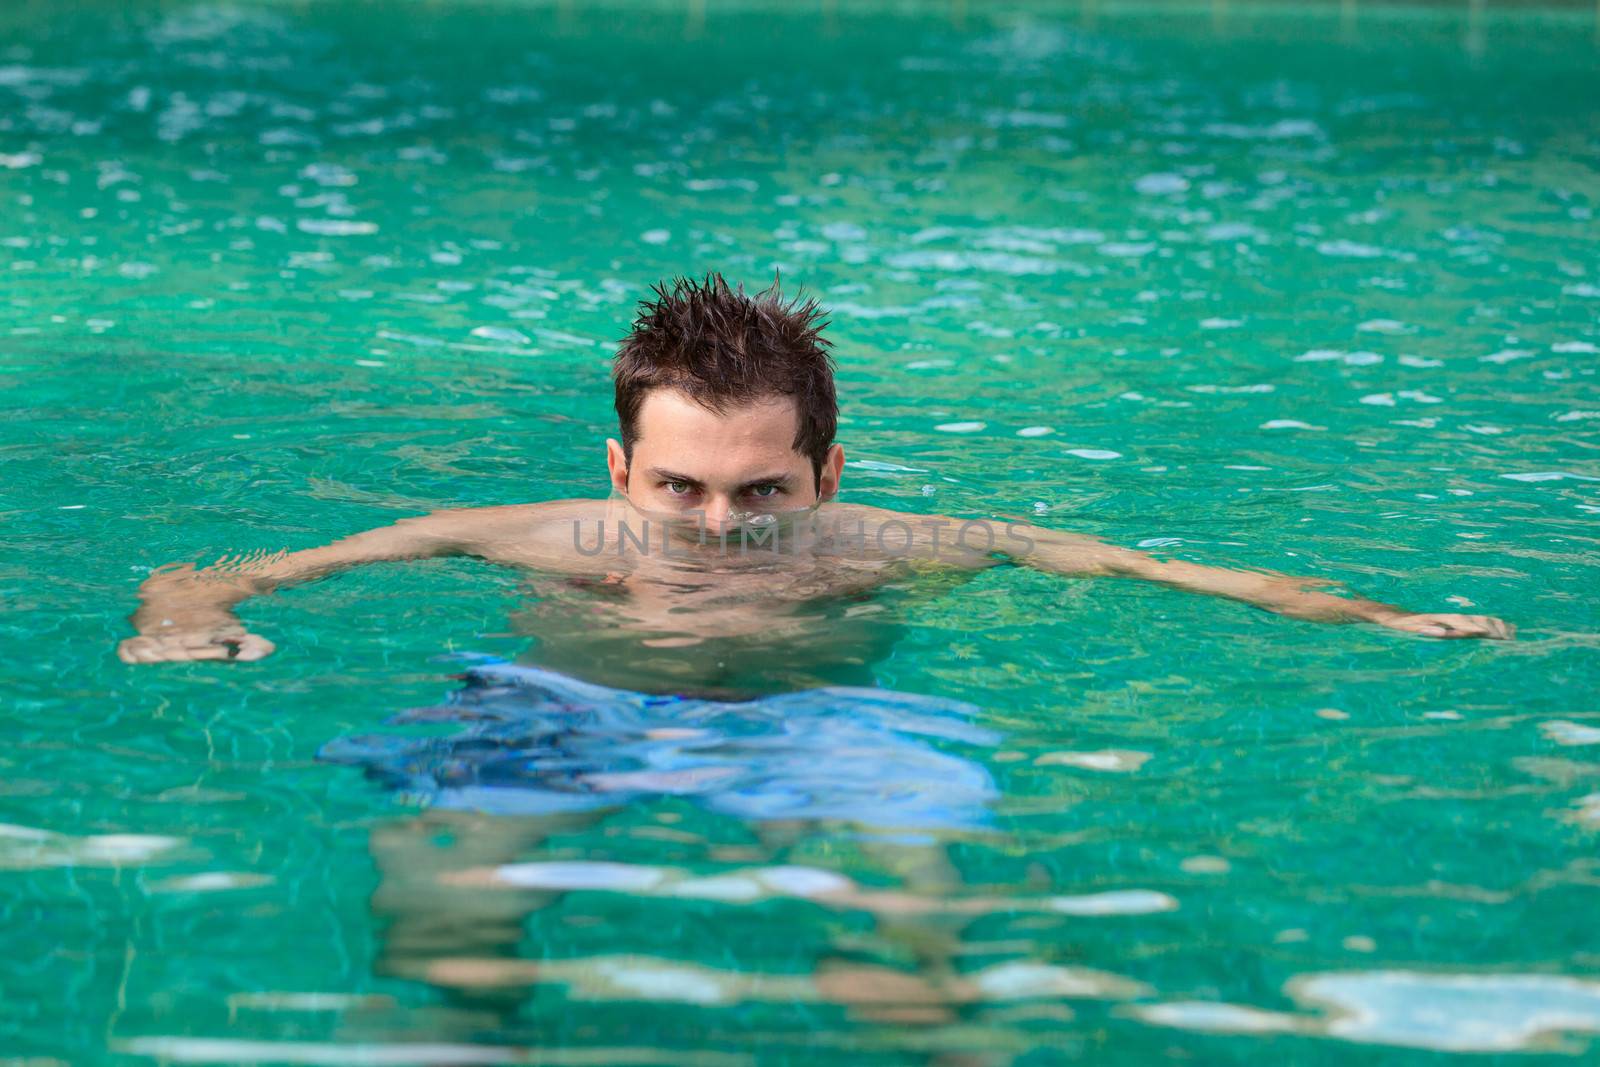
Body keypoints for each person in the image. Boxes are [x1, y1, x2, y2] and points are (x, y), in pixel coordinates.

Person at [117, 272, 1513, 686]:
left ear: (829, 474)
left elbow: (1152, 569)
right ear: (619, 465)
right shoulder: (531, 533)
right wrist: (188, 618)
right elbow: (222, 569)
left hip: (819, 740)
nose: (719, 527)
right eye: (677, 489)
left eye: (762, 493)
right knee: (445, 891)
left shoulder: (898, 541)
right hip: (568, 720)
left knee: (924, 914)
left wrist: (1386, 622)